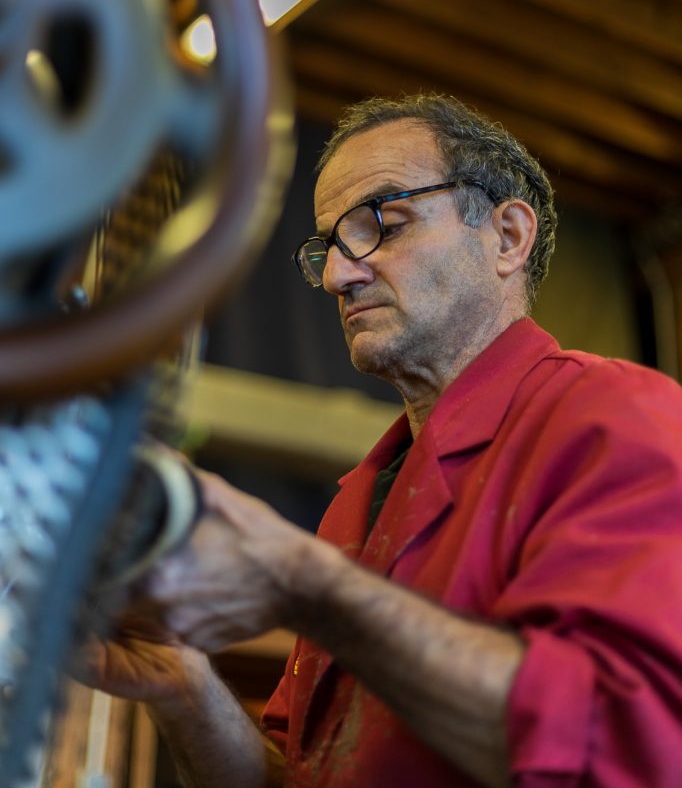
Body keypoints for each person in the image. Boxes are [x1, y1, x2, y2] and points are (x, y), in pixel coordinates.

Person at [83, 94, 682, 787]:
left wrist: (309, 586)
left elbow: (625, 744)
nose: (339, 275)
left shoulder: (613, 416)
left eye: (382, 225)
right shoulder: (361, 501)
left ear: (509, 238)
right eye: (328, 246)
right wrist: (184, 686)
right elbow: (300, 777)